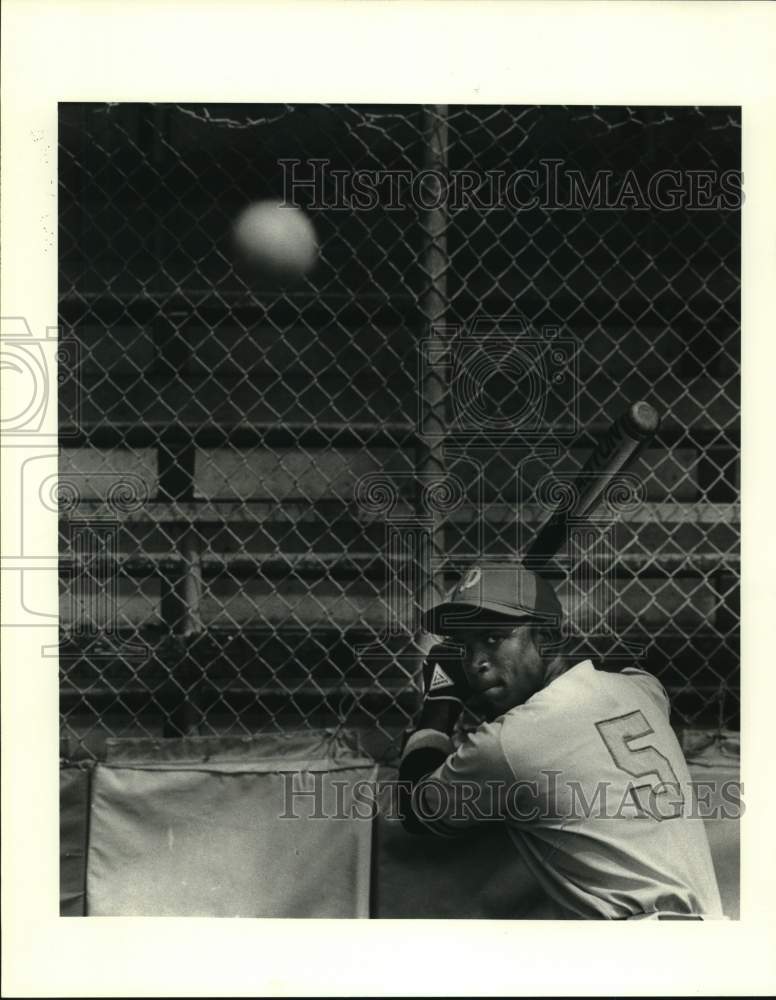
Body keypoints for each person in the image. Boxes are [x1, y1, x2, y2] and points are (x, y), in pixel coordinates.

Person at [398, 564, 723, 920]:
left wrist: (441, 699)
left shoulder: (509, 742)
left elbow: (416, 809)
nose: (475, 662)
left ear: (549, 637)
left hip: (631, 956)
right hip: (709, 941)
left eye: (493, 638)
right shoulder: (642, 688)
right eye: (464, 645)